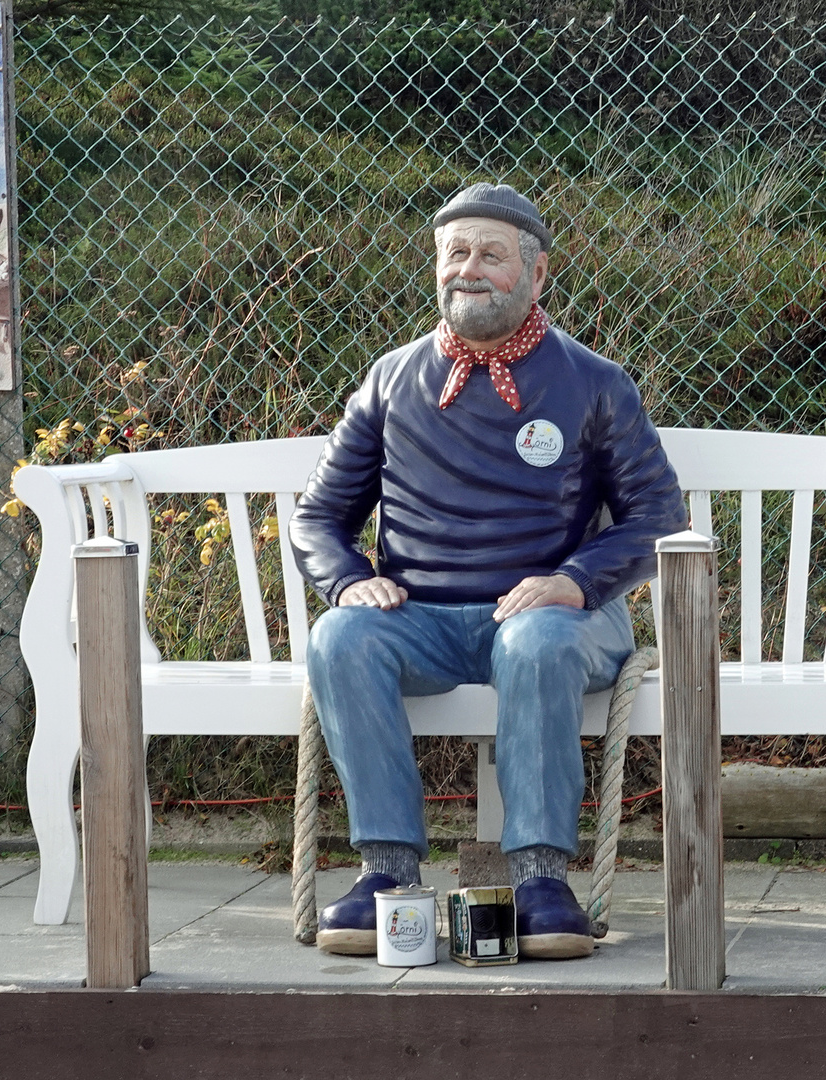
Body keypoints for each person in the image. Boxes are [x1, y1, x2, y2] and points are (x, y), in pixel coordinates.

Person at [289, 183, 687, 959]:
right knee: (341, 638)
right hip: (425, 620)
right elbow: (317, 516)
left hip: (562, 616)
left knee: (534, 644)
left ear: (537, 275)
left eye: (492, 255)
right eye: (456, 253)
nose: (469, 270)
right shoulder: (390, 380)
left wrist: (574, 579)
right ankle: (388, 877)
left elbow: (658, 520)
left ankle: (541, 880)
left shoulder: (594, 383)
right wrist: (348, 579)